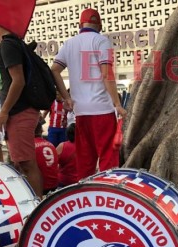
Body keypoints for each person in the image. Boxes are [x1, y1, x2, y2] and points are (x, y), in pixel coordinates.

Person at [51, 8, 126, 180]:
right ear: (99, 25)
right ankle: (108, 195)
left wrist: (66, 97)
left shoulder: (69, 43)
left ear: (80, 25)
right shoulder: (102, 41)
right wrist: (117, 104)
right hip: (103, 110)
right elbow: (107, 75)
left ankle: (86, 195)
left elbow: (54, 70)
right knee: (108, 159)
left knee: (85, 162)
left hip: (81, 112)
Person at [0, 18, 44, 197]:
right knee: (21, 162)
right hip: (20, 111)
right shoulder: (12, 43)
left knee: (26, 163)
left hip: (19, 111)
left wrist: (3, 112)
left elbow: (18, 81)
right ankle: (33, 202)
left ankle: (36, 205)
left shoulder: (7, 45)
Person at [33, 122, 59, 194]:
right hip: (54, 184)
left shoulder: (29, 146)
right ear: (41, 131)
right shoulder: (51, 145)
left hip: (40, 187)